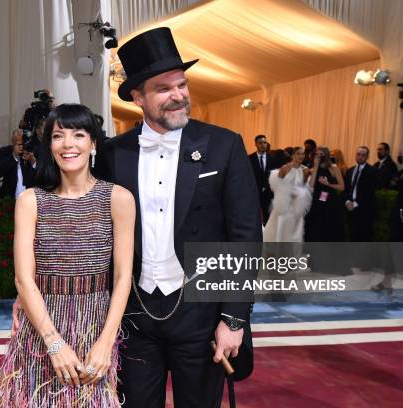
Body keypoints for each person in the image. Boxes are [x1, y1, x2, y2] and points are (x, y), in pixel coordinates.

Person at [103, 27, 261, 407]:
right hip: (136, 315)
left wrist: (234, 319)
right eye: (164, 88)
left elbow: (246, 237)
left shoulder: (223, 145)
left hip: (202, 314)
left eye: (182, 85)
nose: (178, 96)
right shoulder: (113, 153)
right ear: (138, 97)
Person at [0, 104, 134, 407]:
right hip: (41, 333)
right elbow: (23, 279)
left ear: (93, 143)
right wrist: (54, 343)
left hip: (96, 328)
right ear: (49, 146)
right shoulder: (31, 201)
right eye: (58, 136)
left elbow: (122, 277)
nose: (68, 144)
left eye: (79, 134)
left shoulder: (118, 199)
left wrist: (106, 343)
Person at [263, 147, 312, 242]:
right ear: (293, 155)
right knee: (280, 227)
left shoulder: (305, 170)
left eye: (303, 154)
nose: (301, 156)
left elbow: (304, 187)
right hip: (284, 204)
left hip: (296, 205)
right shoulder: (285, 168)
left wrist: (299, 194)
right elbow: (275, 185)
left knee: (295, 230)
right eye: (298, 153)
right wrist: (285, 194)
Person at [305, 146, 345, 242]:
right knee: (316, 226)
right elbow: (311, 185)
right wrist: (315, 167)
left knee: (329, 226)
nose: (319, 156)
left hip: (331, 201)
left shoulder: (333, 168)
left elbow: (342, 187)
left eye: (321, 154)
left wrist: (328, 184)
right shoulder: (313, 169)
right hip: (317, 200)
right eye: (317, 154)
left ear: (326, 155)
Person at [344, 146, 377, 242]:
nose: (360, 157)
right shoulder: (350, 171)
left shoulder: (372, 171)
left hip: (364, 209)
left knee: (364, 237)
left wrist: (355, 204)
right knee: (352, 235)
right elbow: (345, 189)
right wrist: (347, 202)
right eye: (358, 154)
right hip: (350, 209)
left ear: (367, 157)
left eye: (363, 155)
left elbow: (369, 192)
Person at [0, 129, 37, 198]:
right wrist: (14, 156)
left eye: (23, 142)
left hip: (28, 197)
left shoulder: (31, 151)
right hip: (10, 198)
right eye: (18, 142)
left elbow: (40, 174)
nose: (21, 145)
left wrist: (33, 161)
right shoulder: (4, 152)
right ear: (12, 141)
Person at [249, 134, 278, 225]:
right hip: (254, 192)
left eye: (264, 142)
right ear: (256, 144)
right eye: (260, 143)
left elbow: (276, 176)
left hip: (269, 193)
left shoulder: (273, 158)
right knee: (254, 216)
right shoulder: (249, 158)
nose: (263, 145)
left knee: (268, 217)